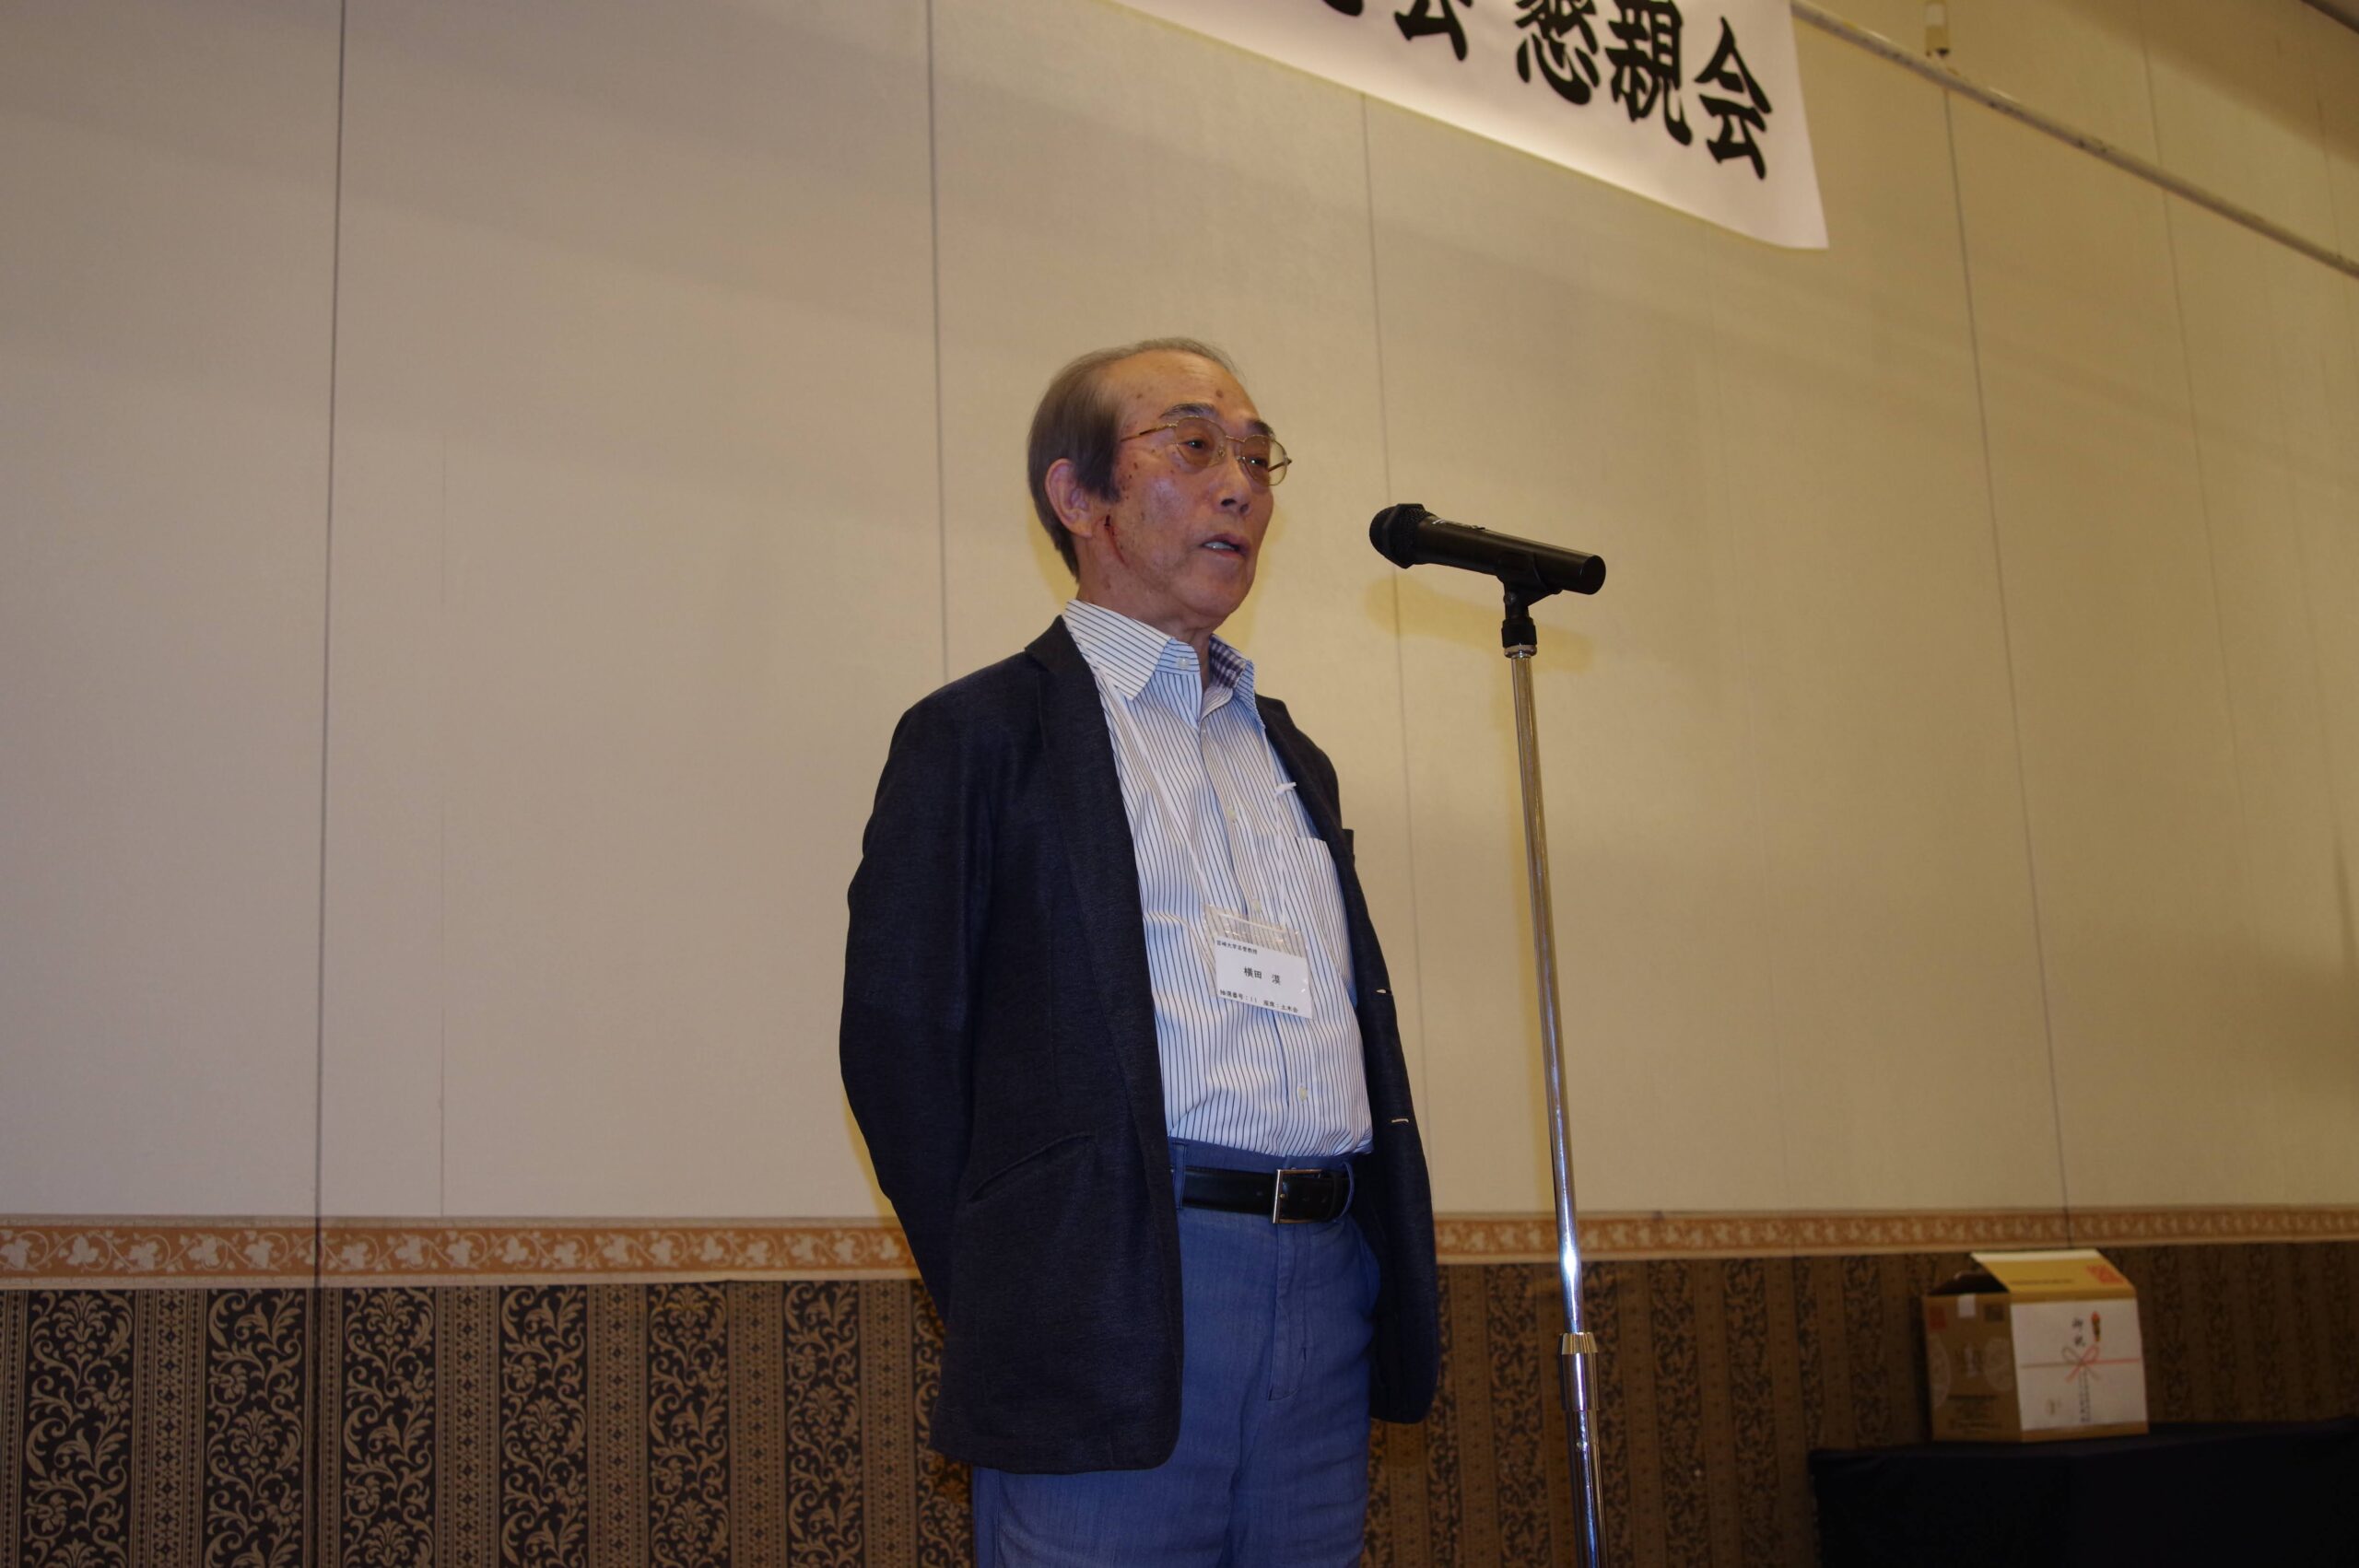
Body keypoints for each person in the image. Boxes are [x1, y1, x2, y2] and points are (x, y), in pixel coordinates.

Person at [839, 337, 1438, 1566]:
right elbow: (900, 1048)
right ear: (1079, 496)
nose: (1241, 486)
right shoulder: (981, 736)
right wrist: (1027, 1285)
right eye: (1196, 446)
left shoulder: (1291, 756)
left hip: (1328, 1287)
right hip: (1108, 1290)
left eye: (1259, 458)